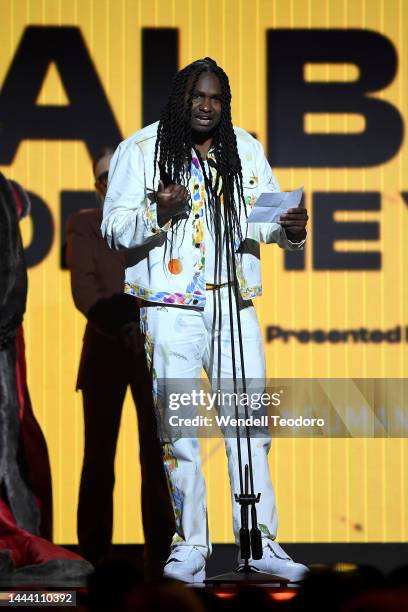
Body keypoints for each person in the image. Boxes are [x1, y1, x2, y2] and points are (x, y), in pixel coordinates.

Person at [101, 58, 309, 583]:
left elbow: (265, 223)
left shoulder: (244, 149)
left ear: (225, 103)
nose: (207, 105)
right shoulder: (142, 151)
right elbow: (114, 230)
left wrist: (291, 229)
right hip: (170, 308)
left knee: (250, 429)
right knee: (181, 433)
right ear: (180, 98)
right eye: (198, 95)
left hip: (233, 305)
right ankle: (191, 546)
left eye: (216, 97)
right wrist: (158, 214)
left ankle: (259, 542)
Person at [66, 150, 174, 577]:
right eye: (106, 177)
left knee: (157, 460)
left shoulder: (157, 221)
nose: (114, 182)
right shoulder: (84, 224)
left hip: (149, 353)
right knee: (98, 459)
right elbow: (85, 292)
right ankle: (93, 561)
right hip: (107, 351)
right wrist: (125, 326)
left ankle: (161, 560)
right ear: (98, 186)